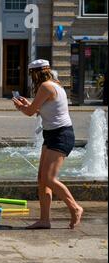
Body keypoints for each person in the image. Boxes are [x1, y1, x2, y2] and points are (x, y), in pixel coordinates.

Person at [12, 59, 83, 230]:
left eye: (31, 75)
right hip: (52, 134)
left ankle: (75, 207)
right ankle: (44, 220)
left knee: (49, 178)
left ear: (35, 73)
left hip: (61, 135)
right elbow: (39, 109)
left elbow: (30, 113)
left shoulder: (45, 87)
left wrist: (21, 107)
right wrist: (27, 105)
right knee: (42, 179)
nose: (31, 79)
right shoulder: (54, 84)